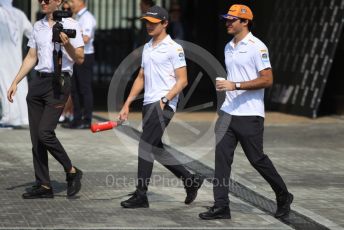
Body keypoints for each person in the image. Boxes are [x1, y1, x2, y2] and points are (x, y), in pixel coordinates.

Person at [199, 4, 293, 220]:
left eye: (232, 19)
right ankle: (221, 206)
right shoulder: (228, 47)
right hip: (227, 112)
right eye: (227, 19)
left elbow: (267, 79)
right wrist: (226, 86)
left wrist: (236, 85)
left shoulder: (257, 47)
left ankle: (283, 195)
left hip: (250, 114)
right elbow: (234, 77)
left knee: (257, 159)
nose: (227, 22)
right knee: (221, 160)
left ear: (245, 22)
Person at [119, 5, 203, 208]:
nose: (149, 26)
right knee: (155, 147)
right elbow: (141, 76)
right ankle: (189, 180)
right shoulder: (148, 46)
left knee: (145, 146)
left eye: (153, 23)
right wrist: (128, 102)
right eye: (147, 22)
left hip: (164, 104)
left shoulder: (174, 48)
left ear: (165, 23)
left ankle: (141, 195)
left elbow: (183, 80)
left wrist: (165, 100)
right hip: (149, 103)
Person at [7, 0, 84, 199]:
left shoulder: (72, 24)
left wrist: (66, 44)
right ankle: (44, 184)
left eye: (47, 0)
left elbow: (80, 59)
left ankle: (71, 170)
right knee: (36, 138)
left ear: (58, 1)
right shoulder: (38, 26)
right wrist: (16, 81)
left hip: (59, 82)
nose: (43, 2)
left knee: (45, 133)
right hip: (38, 84)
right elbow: (32, 56)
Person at [62, 0, 96, 129]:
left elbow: (86, 38)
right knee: (74, 89)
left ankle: (87, 120)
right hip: (75, 55)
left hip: (85, 56)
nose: (71, 4)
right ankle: (76, 119)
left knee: (84, 89)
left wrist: (69, 37)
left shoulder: (87, 18)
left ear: (81, 2)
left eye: (73, 1)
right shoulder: (77, 17)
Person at [0, 0, 32, 128]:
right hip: (17, 58)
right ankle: (24, 116)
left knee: (5, 85)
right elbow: (32, 33)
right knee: (19, 85)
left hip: (2, 57)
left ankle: (10, 117)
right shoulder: (19, 14)